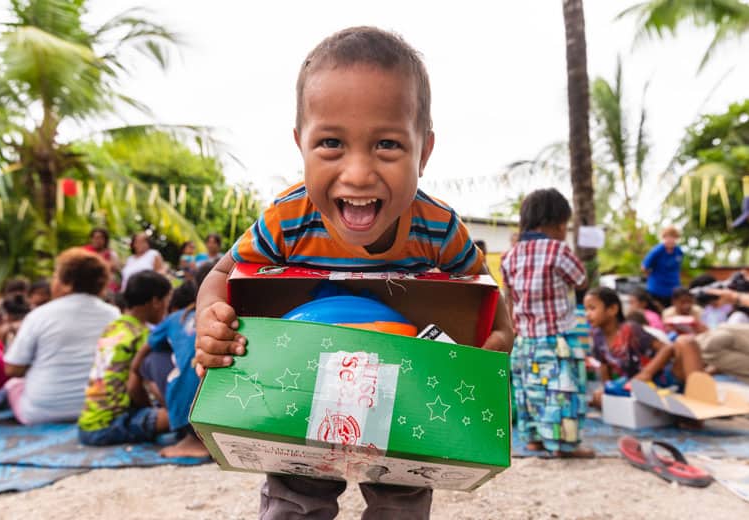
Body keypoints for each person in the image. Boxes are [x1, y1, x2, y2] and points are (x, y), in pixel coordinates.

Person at [193, 26, 514, 520]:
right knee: (295, 496)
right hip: (297, 381)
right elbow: (222, 273)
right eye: (330, 144)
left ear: (424, 152)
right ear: (300, 144)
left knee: (402, 495)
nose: (359, 173)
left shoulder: (438, 227)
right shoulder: (288, 218)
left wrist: (501, 333)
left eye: (387, 144)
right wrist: (210, 317)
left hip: (402, 386)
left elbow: (482, 289)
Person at [500, 188, 593, 458]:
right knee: (561, 392)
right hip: (556, 340)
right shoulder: (559, 250)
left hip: (525, 341)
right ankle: (562, 445)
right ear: (557, 222)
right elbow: (581, 280)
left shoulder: (510, 255)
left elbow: (509, 299)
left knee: (529, 390)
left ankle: (533, 439)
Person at [2, 248, 120, 424]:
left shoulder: (39, 315)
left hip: (41, 412)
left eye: (56, 276)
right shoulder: (113, 314)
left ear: (67, 283)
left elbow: (12, 369)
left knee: (12, 386)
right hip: (99, 408)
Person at [77, 270, 172, 445]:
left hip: (87, 423)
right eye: (166, 301)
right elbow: (134, 389)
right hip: (111, 425)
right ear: (155, 301)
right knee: (180, 415)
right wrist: (155, 408)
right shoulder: (143, 336)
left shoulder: (112, 328)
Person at [132, 262, 215, 458]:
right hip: (231, 408)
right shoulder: (241, 315)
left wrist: (134, 372)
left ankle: (193, 437)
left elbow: (142, 355)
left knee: (151, 360)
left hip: (190, 411)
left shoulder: (176, 318)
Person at [584, 287, 704, 408]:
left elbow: (667, 349)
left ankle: (697, 406)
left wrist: (646, 374)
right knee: (599, 397)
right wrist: (606, 391)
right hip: (634, 385)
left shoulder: (629, 330)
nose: (587, 314)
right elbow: (605, 367)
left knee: (686, 342)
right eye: (586, 309)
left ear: (612, 309)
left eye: (592, 308)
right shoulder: (597, 337)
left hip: (661, 378)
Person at [641, 226, 683, 308]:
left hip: (673, 290)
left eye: (674, 237)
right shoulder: (657, 251)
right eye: (668, 237)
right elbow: (644, 267)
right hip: (656, 290)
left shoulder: (678, 251)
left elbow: (677, 269)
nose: (671, 240)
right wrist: (653, 277)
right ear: (664, 237)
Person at [84, 228, 121, 293]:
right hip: (88, 287)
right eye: (95, 238)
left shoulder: (111, 254)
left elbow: (115, 267)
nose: (97, 240)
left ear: (105, 240)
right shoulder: (85, 252)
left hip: (107, 287)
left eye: (100, 238)